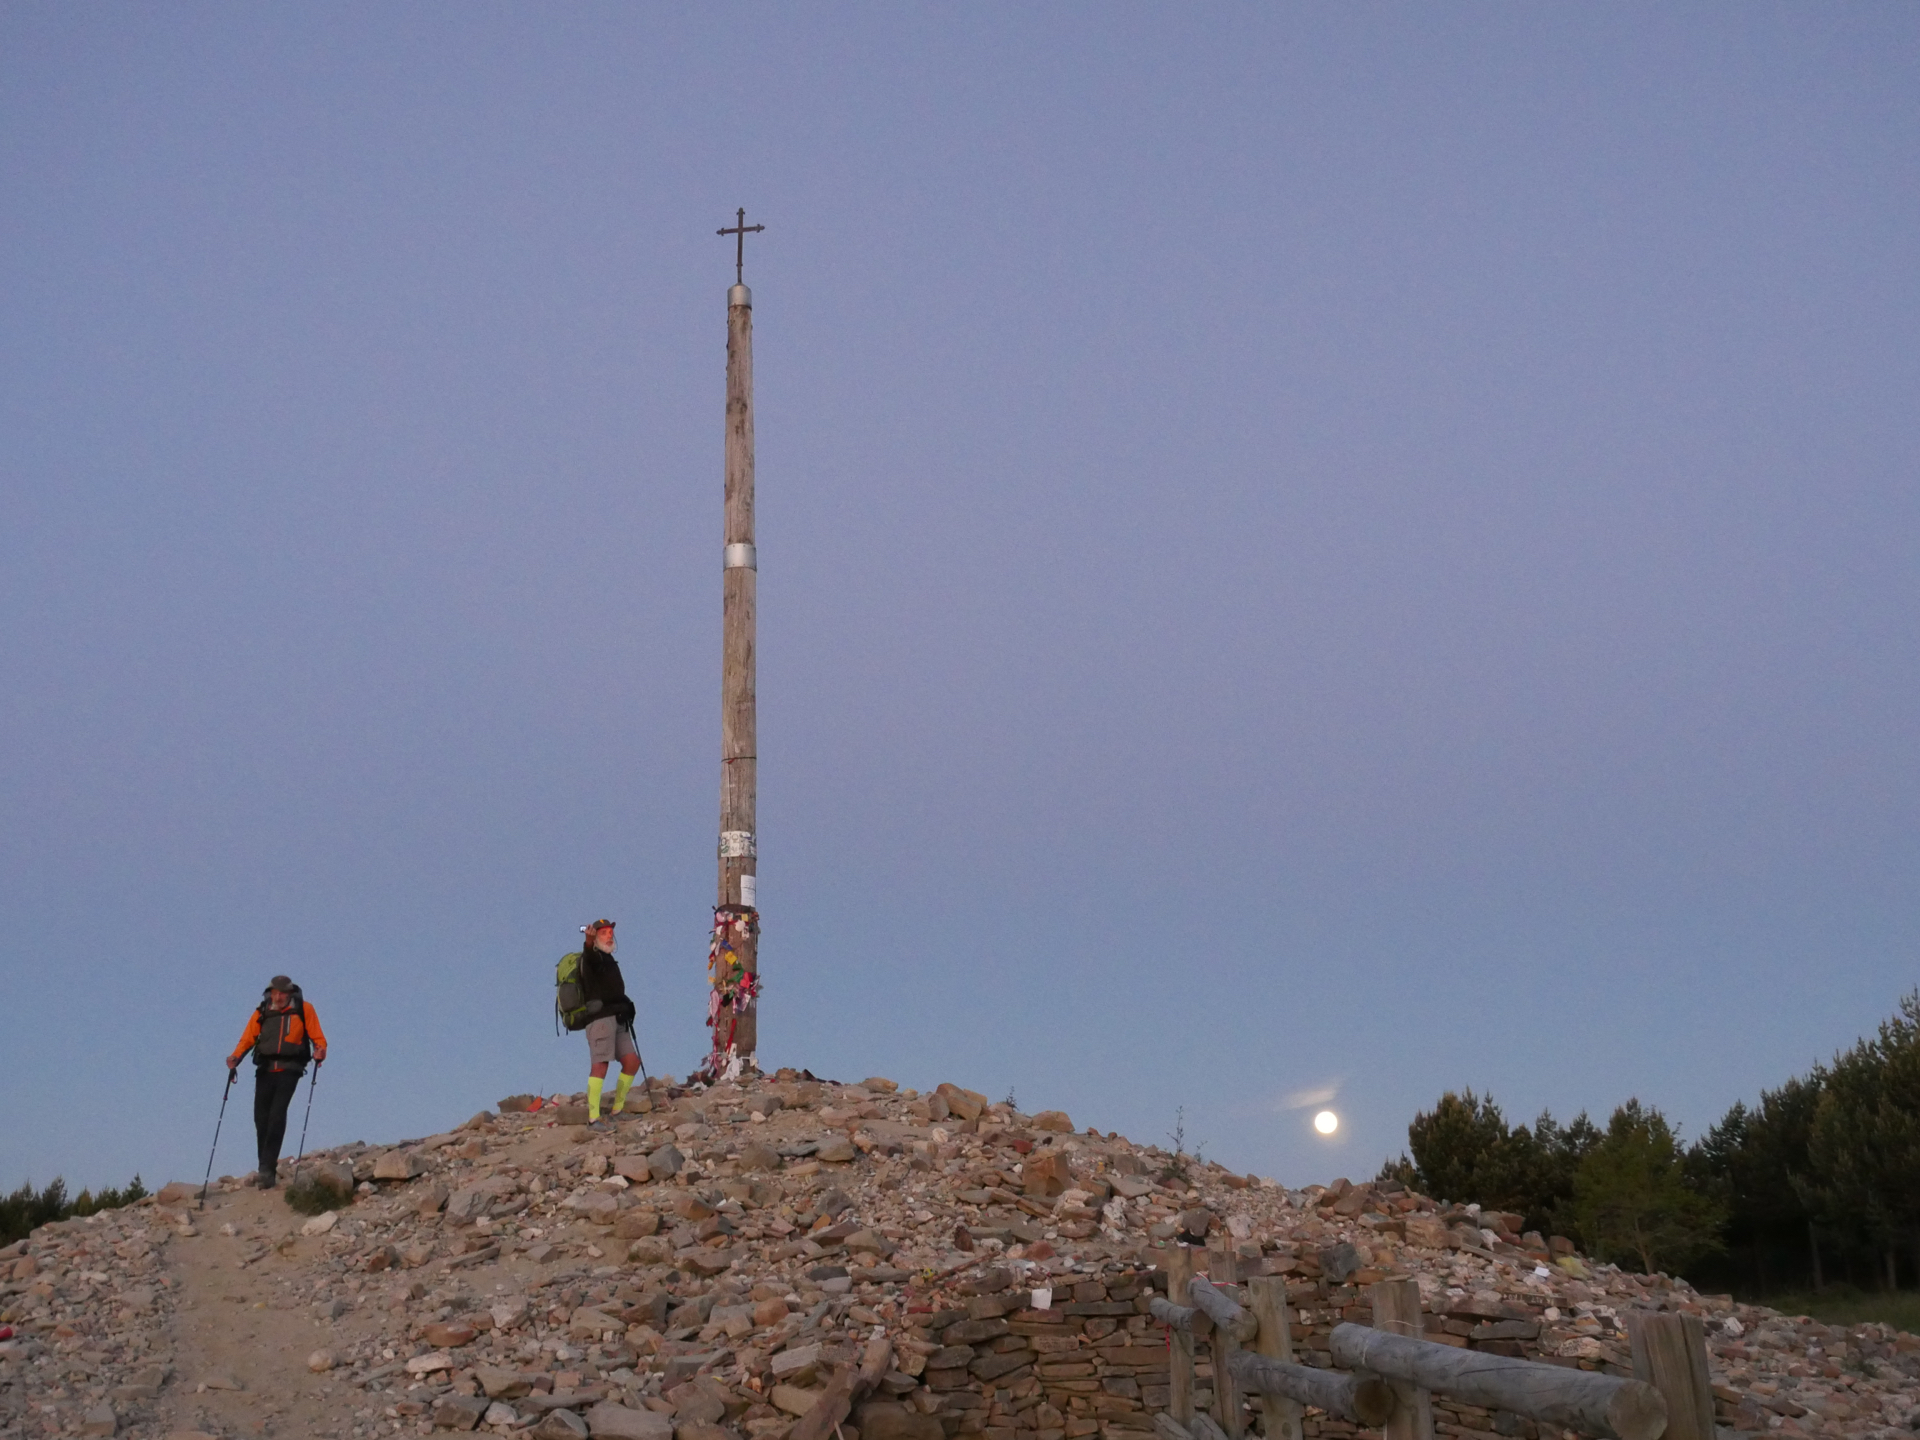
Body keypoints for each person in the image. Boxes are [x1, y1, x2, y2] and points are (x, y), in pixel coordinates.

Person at [226, 975, 327, 1188]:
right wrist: (236, 1057)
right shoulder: (262, 1011)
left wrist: (320, 1050)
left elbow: (318, 1037)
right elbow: (248, 1038)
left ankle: (267, 1170)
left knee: (277, 1115)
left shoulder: (304, 1009)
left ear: (290, 993)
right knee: (260, 1118)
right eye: (275, 993)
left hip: (291, 1068)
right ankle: (265, 1165)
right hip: (265, 1068)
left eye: (282, 993)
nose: (278, 997)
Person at [578, 919, 640, 1124]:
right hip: (600, 1020)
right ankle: (593, 1118)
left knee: (631, 1062)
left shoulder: (609, 960)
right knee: (600, 1065)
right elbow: (588, 955)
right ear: (595, 938)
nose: (609, 935)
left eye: (610, 932)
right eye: (603, 933)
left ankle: (617, 1110)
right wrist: (587, 942)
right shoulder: (592, 958)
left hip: (618, 1018)